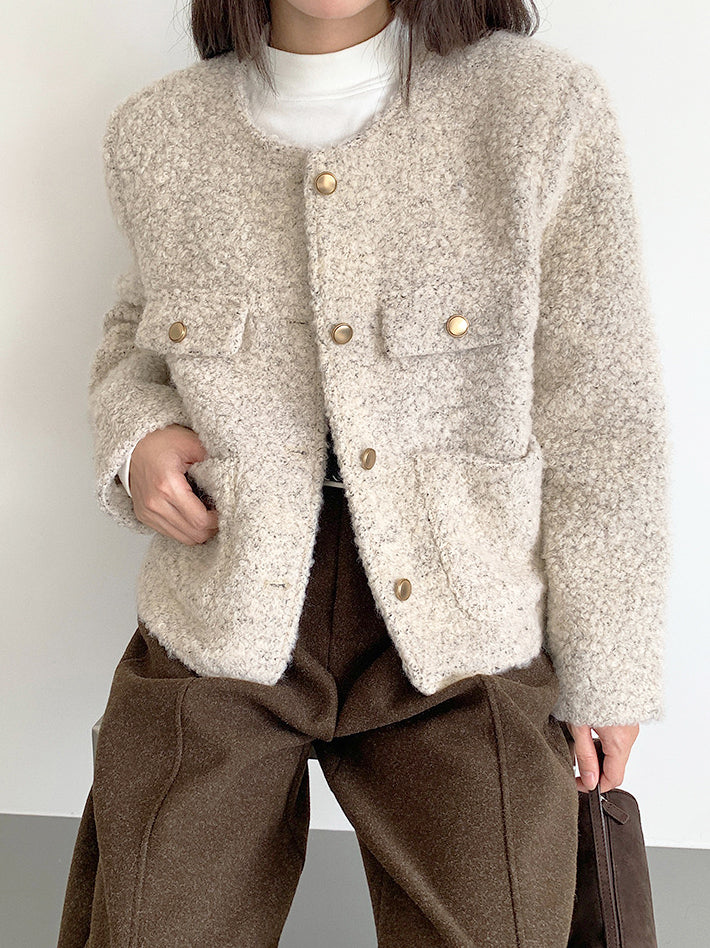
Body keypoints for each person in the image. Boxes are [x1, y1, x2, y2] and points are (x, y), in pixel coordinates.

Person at [58, 1, 671, 945]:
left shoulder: (540, 109)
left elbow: (604, 412)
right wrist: (137, 437)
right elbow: (132, 340)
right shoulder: (158, 131)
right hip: (225, 600)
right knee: (148, 922)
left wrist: (608, 672)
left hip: (467, 619)